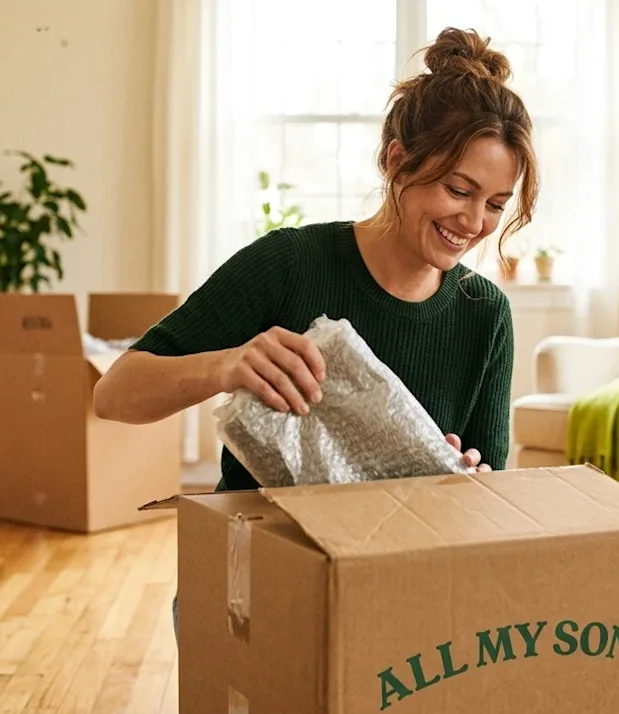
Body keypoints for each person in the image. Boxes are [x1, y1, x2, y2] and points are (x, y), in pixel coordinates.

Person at [93, 26, 539, 637]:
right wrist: (227, 365)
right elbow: (114, 393)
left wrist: (467, 481)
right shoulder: (291, 265)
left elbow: (491, 492)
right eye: (458, 189)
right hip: (254, 587)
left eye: (494, 203)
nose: (474, 222)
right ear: (397, 159)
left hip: (396, 597)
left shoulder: (484, 313)